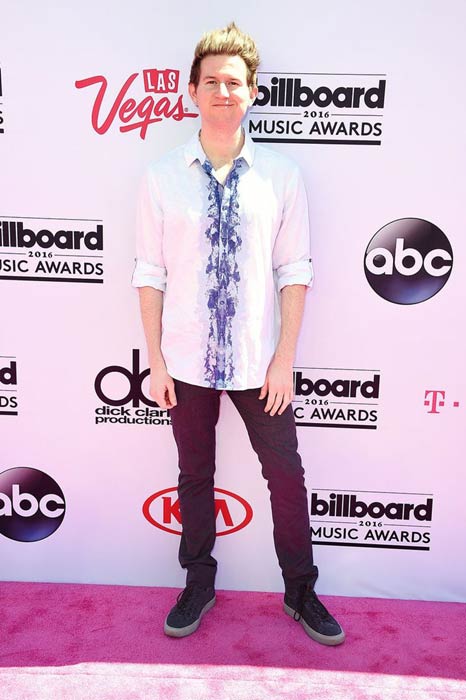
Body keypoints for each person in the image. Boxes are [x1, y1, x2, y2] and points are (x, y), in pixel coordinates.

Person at [132, 22, 344, 646]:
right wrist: (157, 361)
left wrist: (285, 359)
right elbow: (149, 273)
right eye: (212, 82)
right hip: (186, 360)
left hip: (260, 363)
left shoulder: (281, 176)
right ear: (192, 92)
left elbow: (295, 272)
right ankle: (199, 582)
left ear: (252, 92)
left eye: (235, 82)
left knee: (285, 474)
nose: (223, 91)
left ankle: (301, 591)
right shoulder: (160, 177)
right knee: (194, 473)